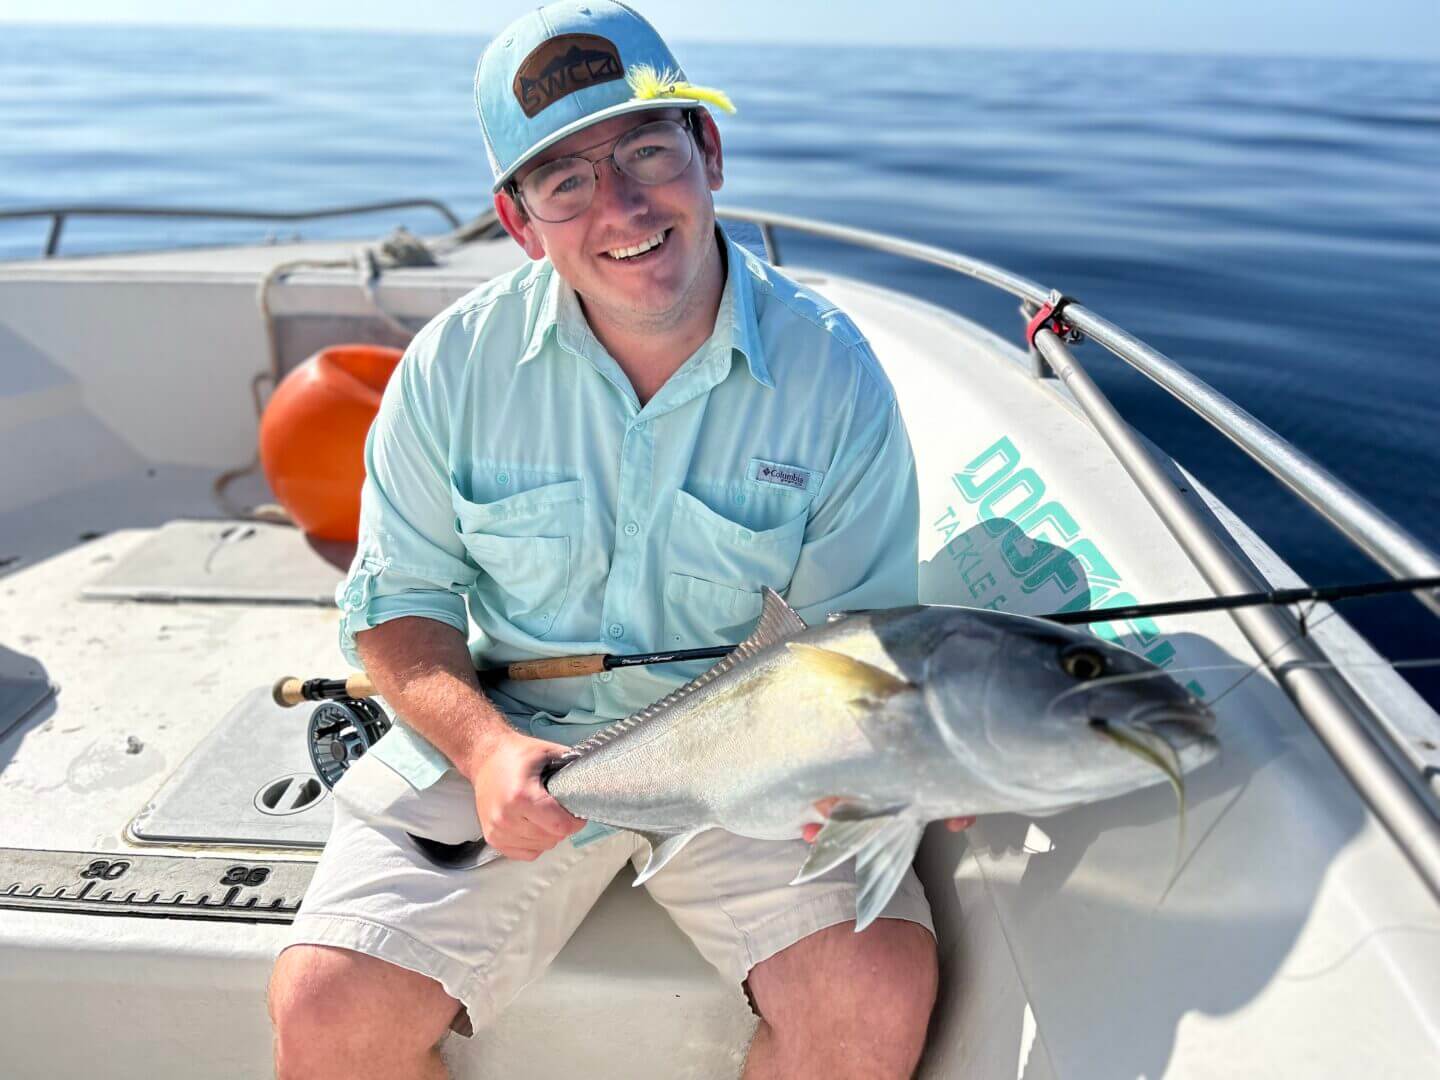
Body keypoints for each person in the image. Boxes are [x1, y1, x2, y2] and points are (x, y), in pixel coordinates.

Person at [269, 3, 969, 1077]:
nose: (623, 206)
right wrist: (486, 749)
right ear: (519, 219)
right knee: (325, 1009)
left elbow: (846, 648)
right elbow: (397, 609)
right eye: (567, 180)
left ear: (710, 152)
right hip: (507, 746)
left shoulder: (835, 376)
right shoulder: (452, 368)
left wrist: (899, 763)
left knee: (872, 997)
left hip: (754, 757)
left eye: (648, 149)